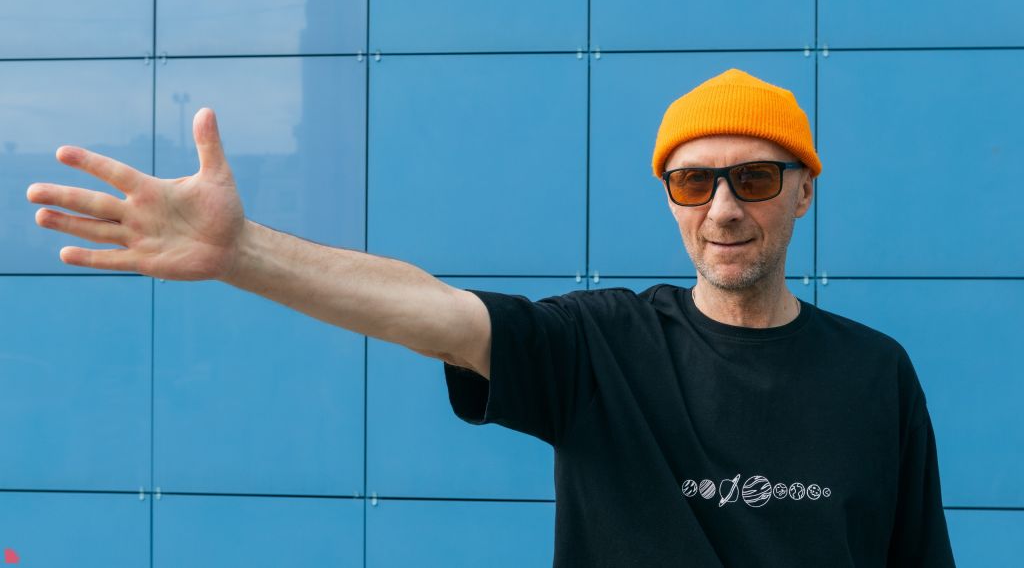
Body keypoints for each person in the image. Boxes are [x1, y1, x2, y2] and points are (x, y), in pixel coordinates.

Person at [25, 67, 955, 567]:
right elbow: (429, 310)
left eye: (752, 178)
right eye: (691, 181)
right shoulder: (600, 347)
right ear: (669, 198)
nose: (721, 209)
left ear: (803, 192)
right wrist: (243, 253)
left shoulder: (876, 373)